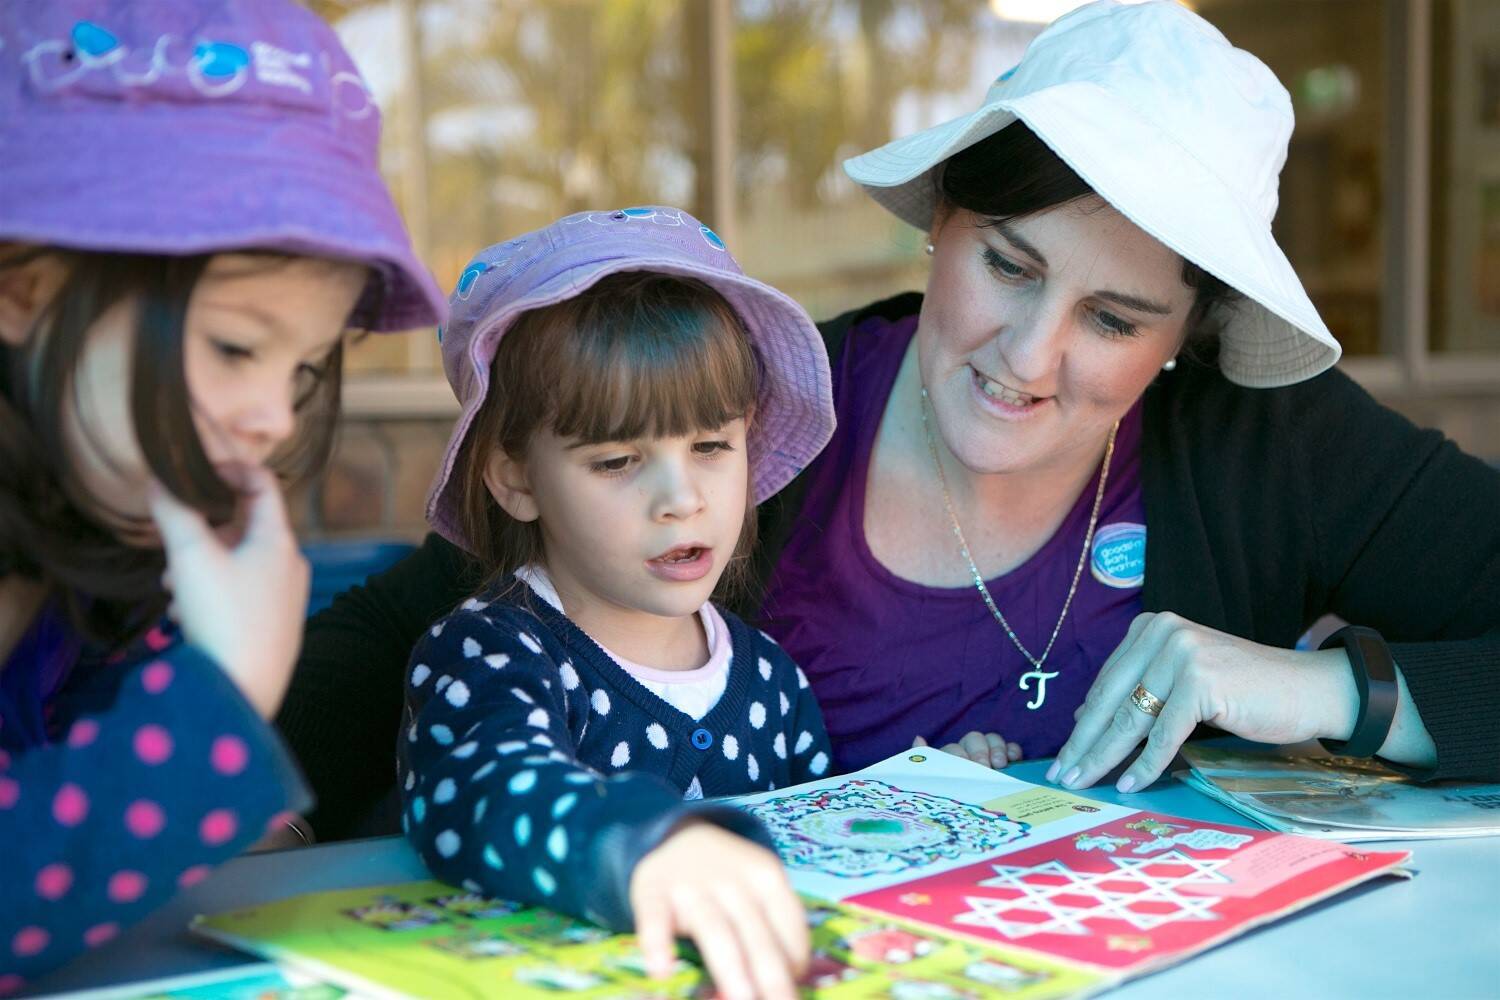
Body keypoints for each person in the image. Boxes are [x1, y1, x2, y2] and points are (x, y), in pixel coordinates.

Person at [277, 0, 1499, 847]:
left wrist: (1327, 691)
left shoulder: (1268, 445)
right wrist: (243, 803)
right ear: (944, 222)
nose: (1030, 357)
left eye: (1115, 318)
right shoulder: (746, 415)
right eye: (1010, 267)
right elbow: (407, 630)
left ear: (1190, 332)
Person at [0, 1, 445, 986]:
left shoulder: (102, 545)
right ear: (24, 285)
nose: (276, 420)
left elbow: (116, 712)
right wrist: (223, 699)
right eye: (236, 346)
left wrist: (249, 798)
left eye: (302, 370)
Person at [401, 208, 835, 1000]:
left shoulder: (772, 680)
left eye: (711, 446)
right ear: (517, 479)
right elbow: (486, 791)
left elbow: (824, 851)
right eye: (618, 460)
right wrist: (642, 846)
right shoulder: (491, 653)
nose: (680, 500)